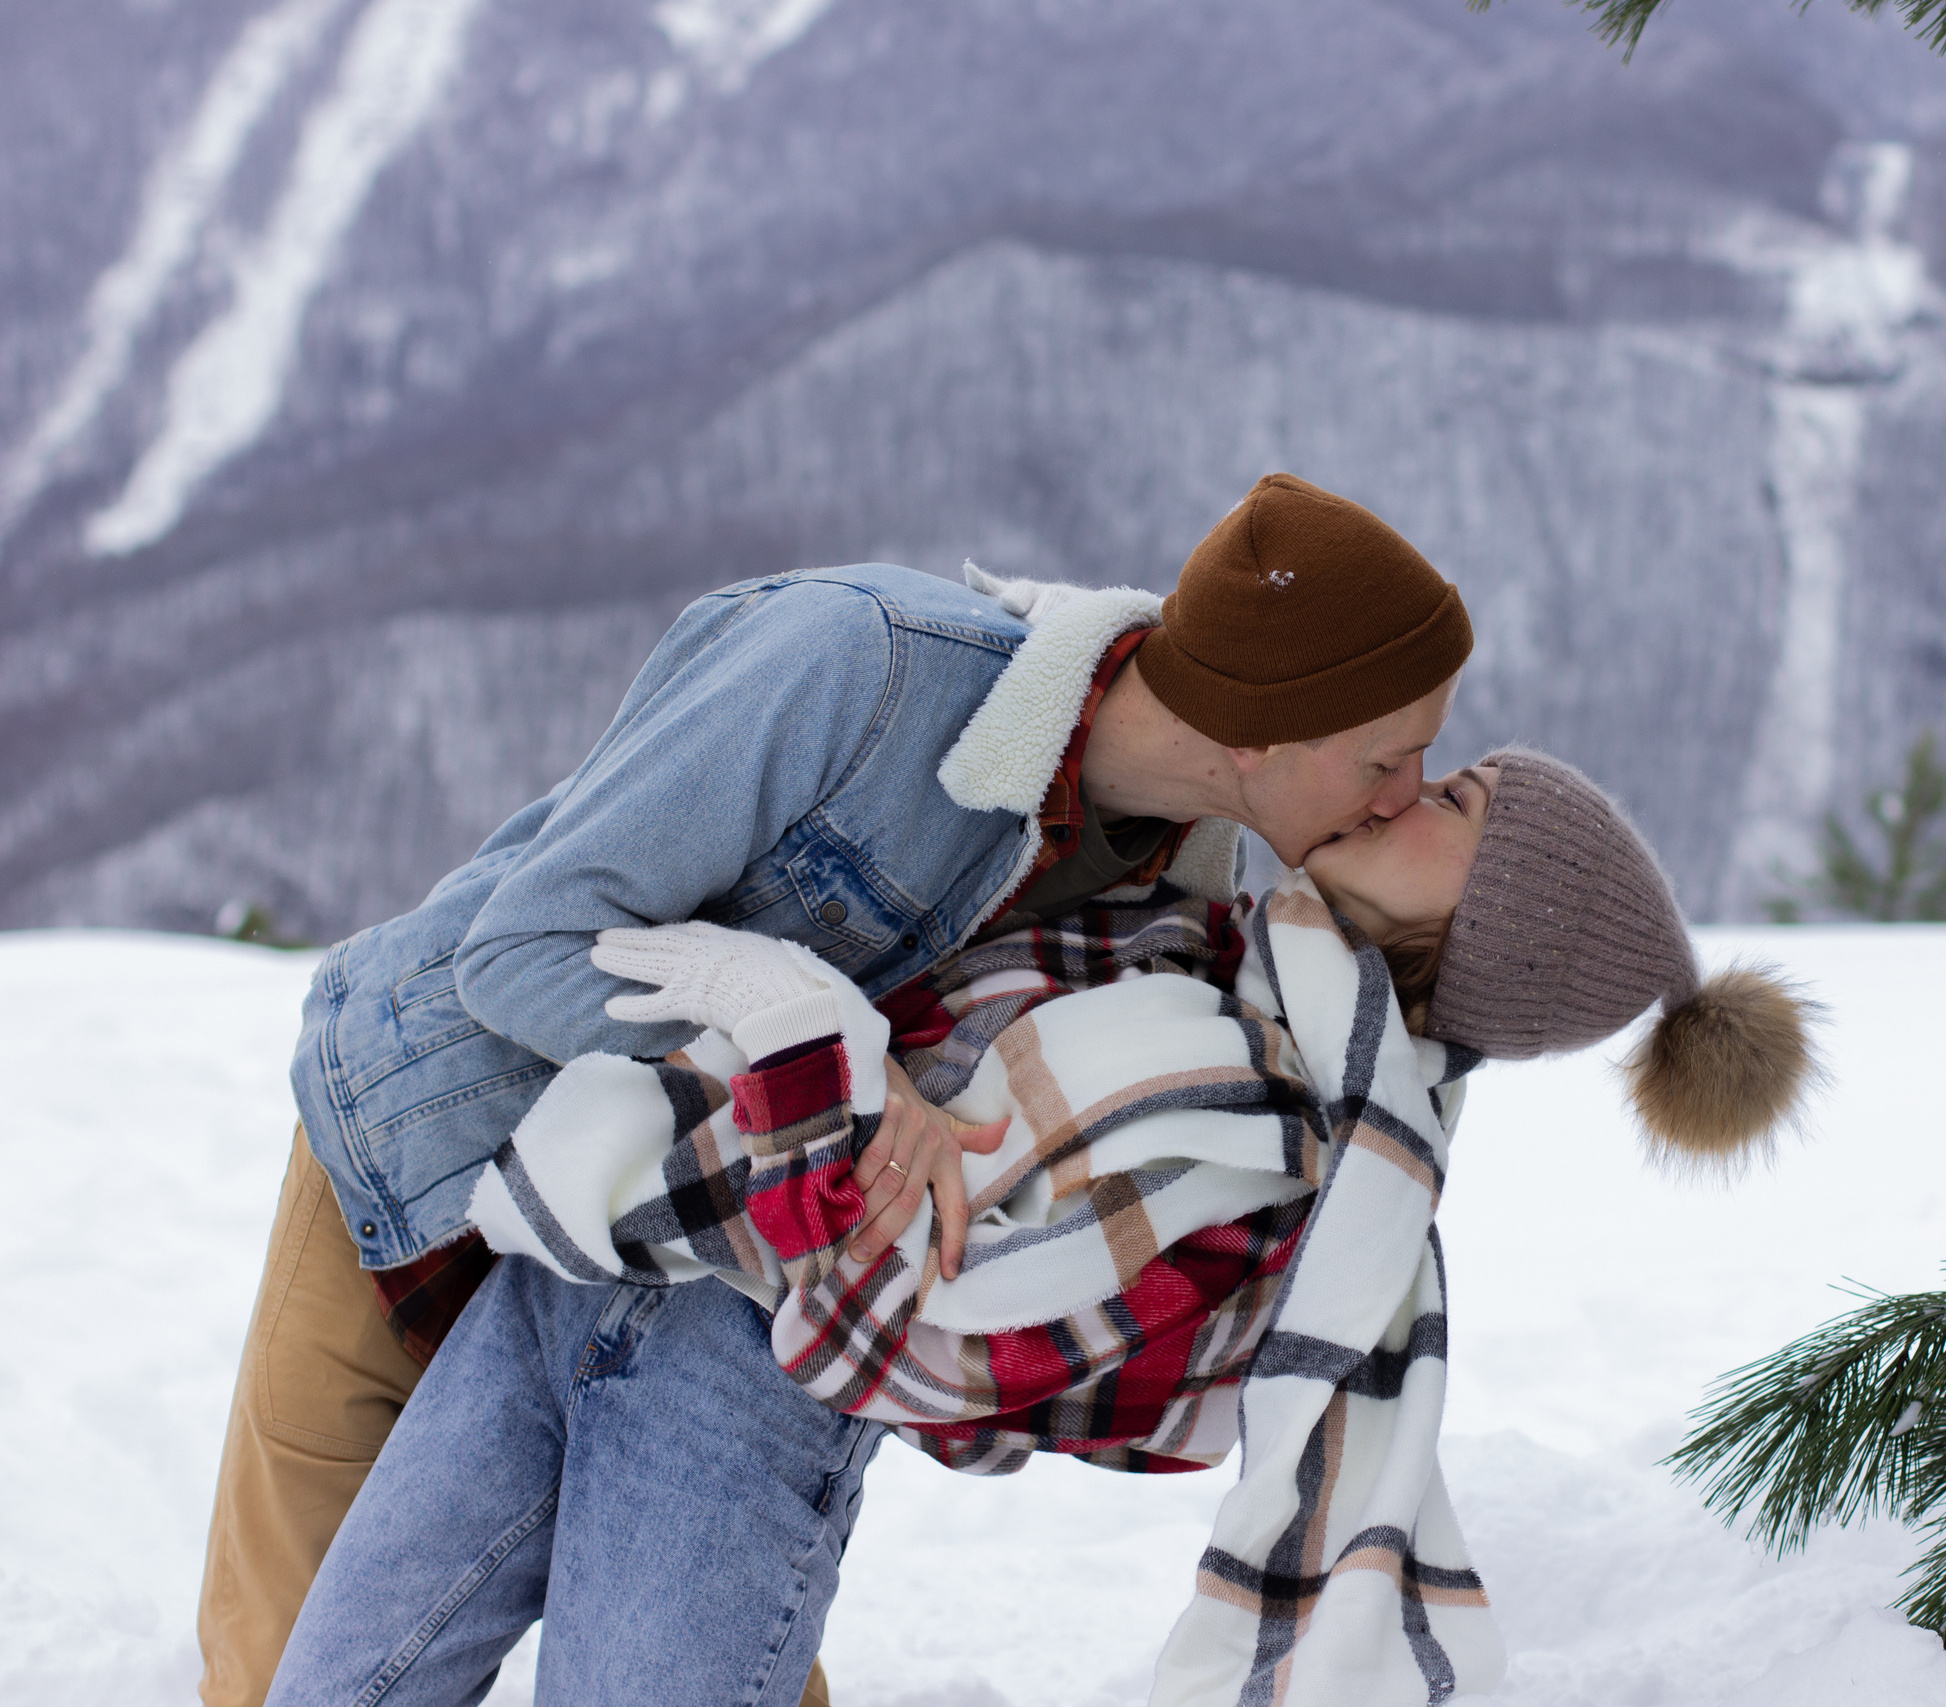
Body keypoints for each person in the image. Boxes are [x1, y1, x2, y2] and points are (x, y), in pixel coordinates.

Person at [199, 472, 1478, 1707]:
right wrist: (830, 1064)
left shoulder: (1165, 897)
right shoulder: (858, 667)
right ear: (1261, 731)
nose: (1403, 796)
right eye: (1389, 760)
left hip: (676, 1257)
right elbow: (517, 959)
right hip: (438, 1145)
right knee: (283, 1675)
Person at [264, 742, 1816, 1705]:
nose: (1405, 782)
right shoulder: (1223, 946)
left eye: (1455, 799)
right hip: (590, 1279)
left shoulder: (1263, 1123)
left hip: (735, 1382)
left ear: (1487, 928)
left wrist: (802, 1033)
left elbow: (907, 1297)